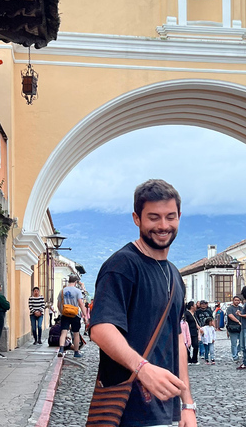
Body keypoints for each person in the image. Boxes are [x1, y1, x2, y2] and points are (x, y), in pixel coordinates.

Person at [89, 179, 196, 427]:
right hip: (129, 409)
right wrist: (143, 369)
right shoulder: (121, 267)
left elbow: (176, 337)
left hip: (165, 410)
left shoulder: (174, 275)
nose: (163, 225)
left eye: (170, 217)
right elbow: (101, 328)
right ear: (137, 218)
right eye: (154, 217)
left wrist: (187, 403)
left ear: (179, 216)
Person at [56, 275, 87, 358]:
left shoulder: (62, 291)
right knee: (76, 333)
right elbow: (80, 303)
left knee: (64, 332)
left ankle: (61, 349)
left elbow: (58, 304)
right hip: (75, 314)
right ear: (75, 282)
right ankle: (76, 352)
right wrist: (85, 315)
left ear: (69, 281)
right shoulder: (77, 291)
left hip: (65, 314)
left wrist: (62, 312)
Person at [226, 296, 243, 362]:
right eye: (235, 300)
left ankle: (236, 352)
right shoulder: (229, 308)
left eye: (238, 300)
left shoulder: (241, 308)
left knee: (242, 342)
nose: (237, 301)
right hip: (232, 327)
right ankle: (234, 356)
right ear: (233, 301)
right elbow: (230, 316)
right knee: (234, 343)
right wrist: (238, 321)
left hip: (240, 328)